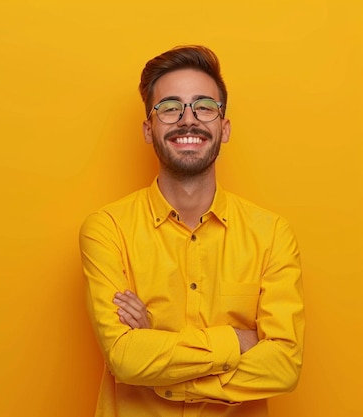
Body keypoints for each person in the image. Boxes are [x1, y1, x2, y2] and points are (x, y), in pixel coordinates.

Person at [79, 45, 304, 417]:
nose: (188, 120)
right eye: (169, 108)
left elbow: (284, 367)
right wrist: (236, 340)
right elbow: (124, 358)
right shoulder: (107, 230)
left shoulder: (272, 235)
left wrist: (158, 349)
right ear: (149, 129)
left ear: (224, 127)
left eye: (204, 107)